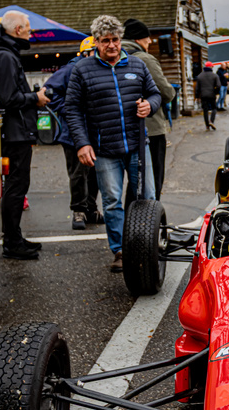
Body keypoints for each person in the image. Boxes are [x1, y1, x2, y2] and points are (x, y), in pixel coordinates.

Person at [65, 15, 161, 273]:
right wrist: (82, 144)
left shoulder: (137, 65)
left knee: (147, 197)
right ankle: (120, 251)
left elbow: (155, 94)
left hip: (137, 146)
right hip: (105, 149)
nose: (111, 45)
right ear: (96, 42)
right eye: (105, 40)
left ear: (121, 40)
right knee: (112, 202)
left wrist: (149, 105)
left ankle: (147, 244)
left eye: (115, 39)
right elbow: (72, 109)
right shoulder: (82, 70)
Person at [0, 11, 50, 260]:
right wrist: (35, 98)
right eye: (27, 28)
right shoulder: (5, 56)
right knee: (16, 187)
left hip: (17, 132)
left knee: (17, 186)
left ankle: (14, 237)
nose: (30, 32)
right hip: (15, 134)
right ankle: (12, 242)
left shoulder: (6, 53)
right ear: (17, 30)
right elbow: (6, 98)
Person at [46, 36, 103, 230]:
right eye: (95, 52)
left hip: (94, 131)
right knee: (78, 174)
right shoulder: (70, 69)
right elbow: (49, 91)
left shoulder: (99, 69)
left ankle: (91, 209)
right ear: (86, 53)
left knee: (94, 172)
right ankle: (78, 211)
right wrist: (69, 109)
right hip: (72, 132)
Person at [122, 18, 176, 201]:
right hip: (150, 128)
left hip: (122, 129)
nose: (150, 43)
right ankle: (149, 216)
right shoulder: (144, 59)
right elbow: (166, 92)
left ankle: (130, 216)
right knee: (151, 179)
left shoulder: (113, 58)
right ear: (138, 39)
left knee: (135, 181)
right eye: (147, 39)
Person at [195, 61, 220, 131]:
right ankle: (211, 121)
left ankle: (207, 126)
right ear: (211, 67)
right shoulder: (214, 75)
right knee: (214, 108)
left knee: (205, 110)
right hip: (212, 94)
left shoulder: (200, 76)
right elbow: (218, 85)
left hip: (203, 95)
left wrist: (197, 96)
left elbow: (197, 88)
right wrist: (216, 92)